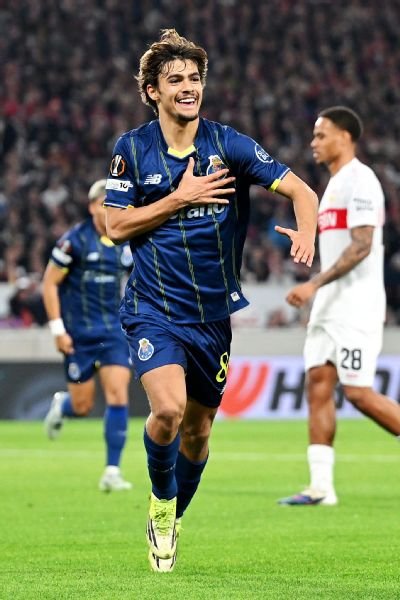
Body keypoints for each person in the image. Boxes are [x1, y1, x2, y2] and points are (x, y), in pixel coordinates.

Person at [104, 29, 318, 571]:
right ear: (152, 91)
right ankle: (160, 503)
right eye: (175, 79)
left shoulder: (229, 146)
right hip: (153, 309)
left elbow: (302, 191)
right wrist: (179, 198)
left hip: (212, 317)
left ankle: (173, 516)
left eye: (195, 78)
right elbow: (115, 225)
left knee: (198, 432)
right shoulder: (132, 149)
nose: (188, 86)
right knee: (168, 411)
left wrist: (307, 231)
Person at [278, 106, 400, 507]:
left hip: (355, 305)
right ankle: (320, 488)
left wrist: (313, 283)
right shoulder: (332, 186)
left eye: (321, 135)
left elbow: (362, 246)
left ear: (345, 137)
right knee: (318, 385)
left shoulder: (361, 181)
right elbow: (336, 247)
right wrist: (306, 242)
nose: (313, 142)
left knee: (359, 393)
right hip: (329, 306)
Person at [42, 179, 133, 492]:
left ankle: (112, 471)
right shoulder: (73, 242)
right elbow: (49, 284)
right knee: (82, 406)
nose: (113, 209)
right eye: (107, 203)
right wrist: (58, 330)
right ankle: (63, 406)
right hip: (78, 334)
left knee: (118, 394)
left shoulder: (125, 242)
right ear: (93, 206)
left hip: (113, 333)